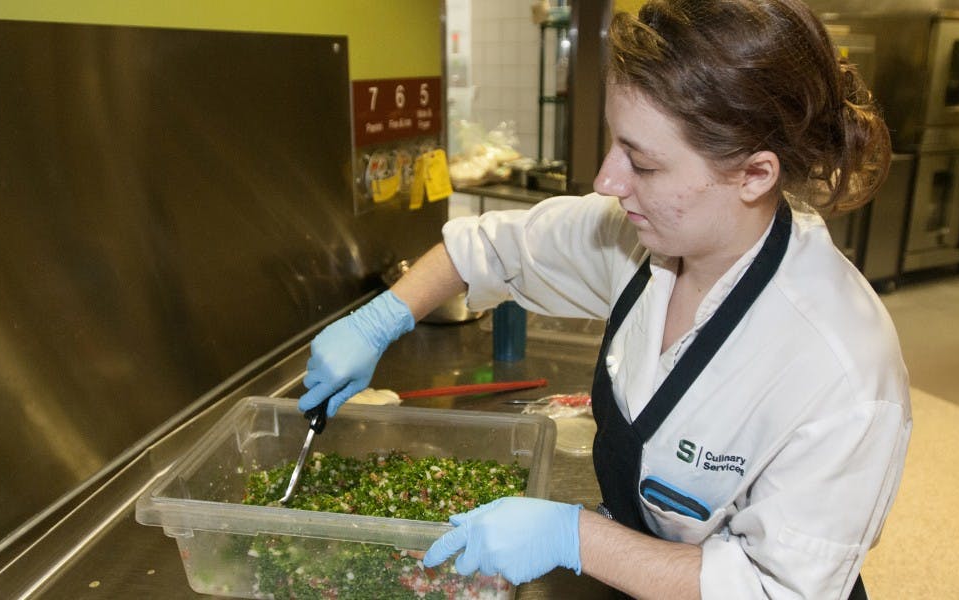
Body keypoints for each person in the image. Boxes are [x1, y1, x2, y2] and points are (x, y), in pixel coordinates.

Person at [298, 0, 911, 597]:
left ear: (755, 174)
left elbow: (772, 588)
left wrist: (576, 537)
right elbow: (491, 249)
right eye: (616, 143)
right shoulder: (641, 235)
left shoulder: (842, 371)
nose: (607, 181)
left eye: (642, 164)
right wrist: (381, 318)